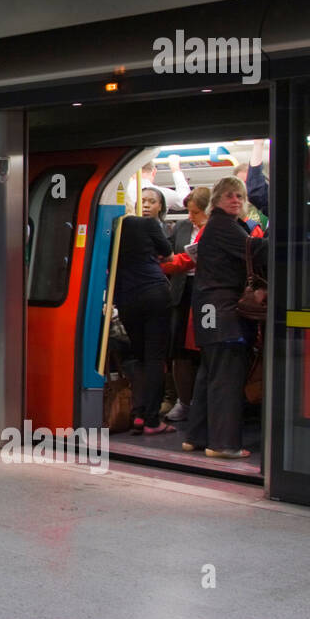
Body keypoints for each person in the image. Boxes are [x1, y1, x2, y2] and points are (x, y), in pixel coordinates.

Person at [183, 177, 268, 459]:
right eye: (230, 196)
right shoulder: (225, 226)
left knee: (210, 374)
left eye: (240, 196)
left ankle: (197, 436)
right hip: (224, 310)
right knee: (227, 376)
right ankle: (223, 443)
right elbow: (255, 251)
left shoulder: (216, 226)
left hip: (209, 308)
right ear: (217, 200)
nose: (236, 200)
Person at [113, 205, 175, 435]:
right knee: (155, 358)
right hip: (153, 292)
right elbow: (167, 250)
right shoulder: (146, 224)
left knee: (138, 356)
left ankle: (138, 413)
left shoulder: (107, 230)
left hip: (125, 297)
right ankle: (152, 420)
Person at [161, 186, 211, 422]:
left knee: (204, 351)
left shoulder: (216, 230)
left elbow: (183, 261)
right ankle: (184, 401)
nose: (190, 217)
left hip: (206, 294)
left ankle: (203, 404)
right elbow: (168, 254)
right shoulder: (181, 227)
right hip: (182, 294)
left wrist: (167, 264)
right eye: (189, 212)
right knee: (179, 351)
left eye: (195, 213)